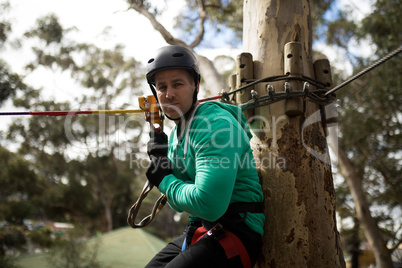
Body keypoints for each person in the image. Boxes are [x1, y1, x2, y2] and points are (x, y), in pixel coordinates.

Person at [144, 45, 265, 268]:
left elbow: (208, 204)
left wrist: (164, 179)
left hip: (237, 230)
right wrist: (163, 160)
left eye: (178, 84)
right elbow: (181, 205)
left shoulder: (215, 126)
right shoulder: (177, 134)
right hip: (204, 227)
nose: (169, 94)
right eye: (162, 87)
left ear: (196, 85)